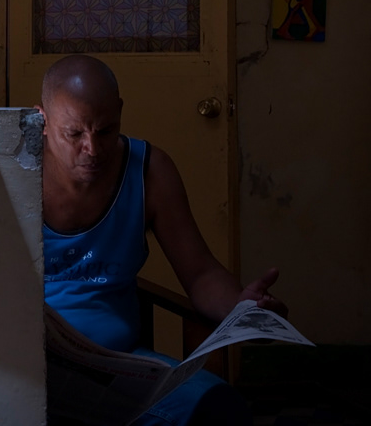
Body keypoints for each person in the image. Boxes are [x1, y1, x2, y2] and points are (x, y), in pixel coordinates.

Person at [39, 54, 287, 426]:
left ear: (120, 111)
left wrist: (242, 308)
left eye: (105, 130)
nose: (92, 149)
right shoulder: (13, 170)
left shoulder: (148, 170)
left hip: (122, 367)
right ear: (42, 120)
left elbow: (201, 273)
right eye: (74, 133)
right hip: (32, 366)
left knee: (219, 409)